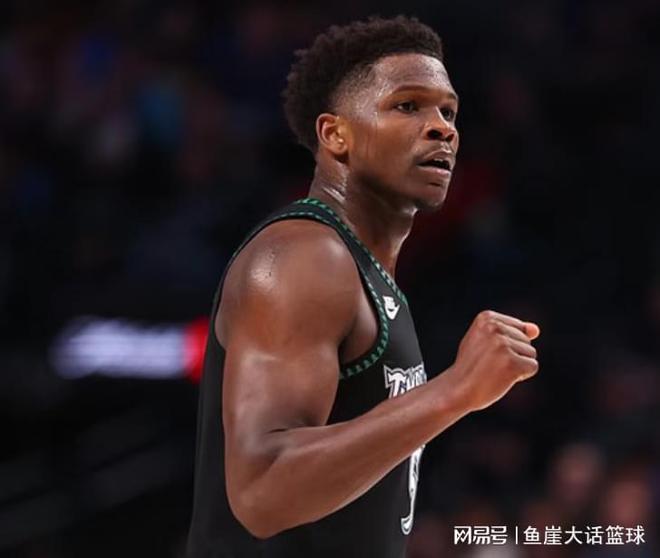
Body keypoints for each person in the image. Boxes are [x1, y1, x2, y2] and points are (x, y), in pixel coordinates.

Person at [186, 15, 540, 558]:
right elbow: (261, 490)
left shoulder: (371, 275)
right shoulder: (305, 257)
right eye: (408, 105)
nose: (442, 128)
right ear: (336, 135)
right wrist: (455, 391)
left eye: (449, 111)